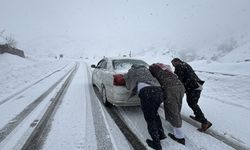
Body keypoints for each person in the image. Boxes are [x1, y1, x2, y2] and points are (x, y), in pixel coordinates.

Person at [124, 64, 166, 150]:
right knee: (155, 113)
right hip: (159, 90)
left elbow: (127, 80)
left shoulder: (131, 70)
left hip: (147, 92)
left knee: (150, 119)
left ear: (132, 67)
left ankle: (156, 144)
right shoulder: (146, 70)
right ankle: (161, 134)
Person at [171, 58, 212, 132]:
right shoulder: (185, 64)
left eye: (173, 63)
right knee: (193, 103)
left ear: (177, 61)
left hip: (193, 87)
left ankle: (205, 122)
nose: (173, 66)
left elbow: (178, 79)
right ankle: (198, 116)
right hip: (198, 85)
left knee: (192, 103)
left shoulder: (180, 66)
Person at [149, 63, 186, 145]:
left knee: (172, 111)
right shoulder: (165, 68)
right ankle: (175, 125)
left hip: (170, 89)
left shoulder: (153, 69)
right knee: (176, 107)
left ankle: (180, 137)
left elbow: (151, 79)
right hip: (180, 86)